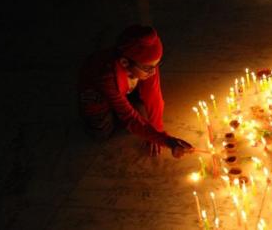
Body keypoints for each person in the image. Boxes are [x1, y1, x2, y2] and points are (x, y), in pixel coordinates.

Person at [78, 25, 193, 158]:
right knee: (102, 133)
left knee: (144, 121)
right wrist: (165, 140)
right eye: (148, 68)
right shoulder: (106, 75)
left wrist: (157, 132)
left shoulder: (147, 65)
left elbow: (154, 98)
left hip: (124, 88)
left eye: (157, 65)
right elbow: (129, 118)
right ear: (124, 62)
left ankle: (124, 102)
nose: (154, 72)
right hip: (97, 96)